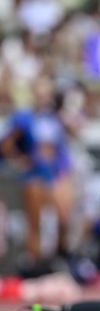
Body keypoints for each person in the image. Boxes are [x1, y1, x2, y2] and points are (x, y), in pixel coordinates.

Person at [0, 76, 74, 275]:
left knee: (63, 217)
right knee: (35, 221)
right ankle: (35, 264)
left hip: (53, 175)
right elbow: (7, 143)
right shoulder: (25, 117)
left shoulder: (54, 118)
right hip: (34, 176)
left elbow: (63, 145)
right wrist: (19, 160)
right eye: (40, 92)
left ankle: (58, 257)